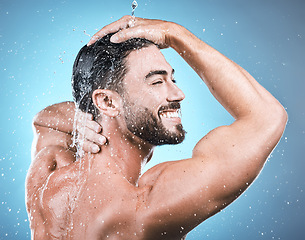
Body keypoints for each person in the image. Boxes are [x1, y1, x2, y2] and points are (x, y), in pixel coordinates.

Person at [26, 16, 287, 240]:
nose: (178, 93)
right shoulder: (146, 205)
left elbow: (44, 119)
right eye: (157, 82)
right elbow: (266, 117)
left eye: (172, 78)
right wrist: (175, 34)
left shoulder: (50, 174)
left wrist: (81, 118)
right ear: (107, 101)